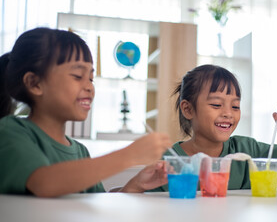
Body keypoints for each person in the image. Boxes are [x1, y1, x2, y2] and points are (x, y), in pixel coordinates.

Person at [0, 27, 171, 197]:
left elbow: (95, 199)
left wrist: (134, 186)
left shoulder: (80, 151)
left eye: (91, 78)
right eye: (77, 76)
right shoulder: (11, 131)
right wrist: (129, 155)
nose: (89, 87)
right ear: (34, 83)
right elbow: (44, 183)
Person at [150, 64, 277, 191]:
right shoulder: (170, 163)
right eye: (216, 104)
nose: (228, 113)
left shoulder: (246, 150)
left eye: (235, 106)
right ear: (188, 109)